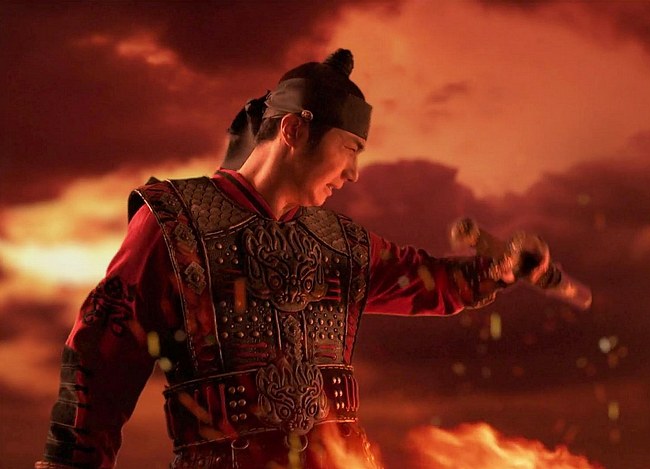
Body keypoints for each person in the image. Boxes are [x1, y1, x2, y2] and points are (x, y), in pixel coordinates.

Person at [36, 49, 556, 469]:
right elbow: (101, 358)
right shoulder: (175, 225)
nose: (353, 173)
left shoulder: (342, 243)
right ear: (293, 131)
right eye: (350, 147)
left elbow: (426, 281)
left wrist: (502, 268)